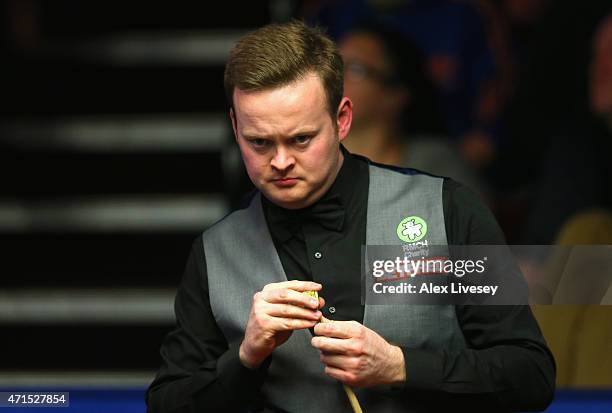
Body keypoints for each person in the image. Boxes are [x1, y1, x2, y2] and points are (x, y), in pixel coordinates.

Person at [146, 20, 554, 412]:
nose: (281, 161)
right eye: (259, 142)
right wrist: (246, 356)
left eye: (301, 139)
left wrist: (403, 366)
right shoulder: (216, 253)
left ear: (341, 119)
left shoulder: (445, 210)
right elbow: (168, 403)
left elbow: (530, 376)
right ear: (236, 128)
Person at [337, 22, 487, 198]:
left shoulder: (435, 167)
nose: (335, 76)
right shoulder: (309, 161)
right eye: (333, 63)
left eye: (355, 69)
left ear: (395, 95)